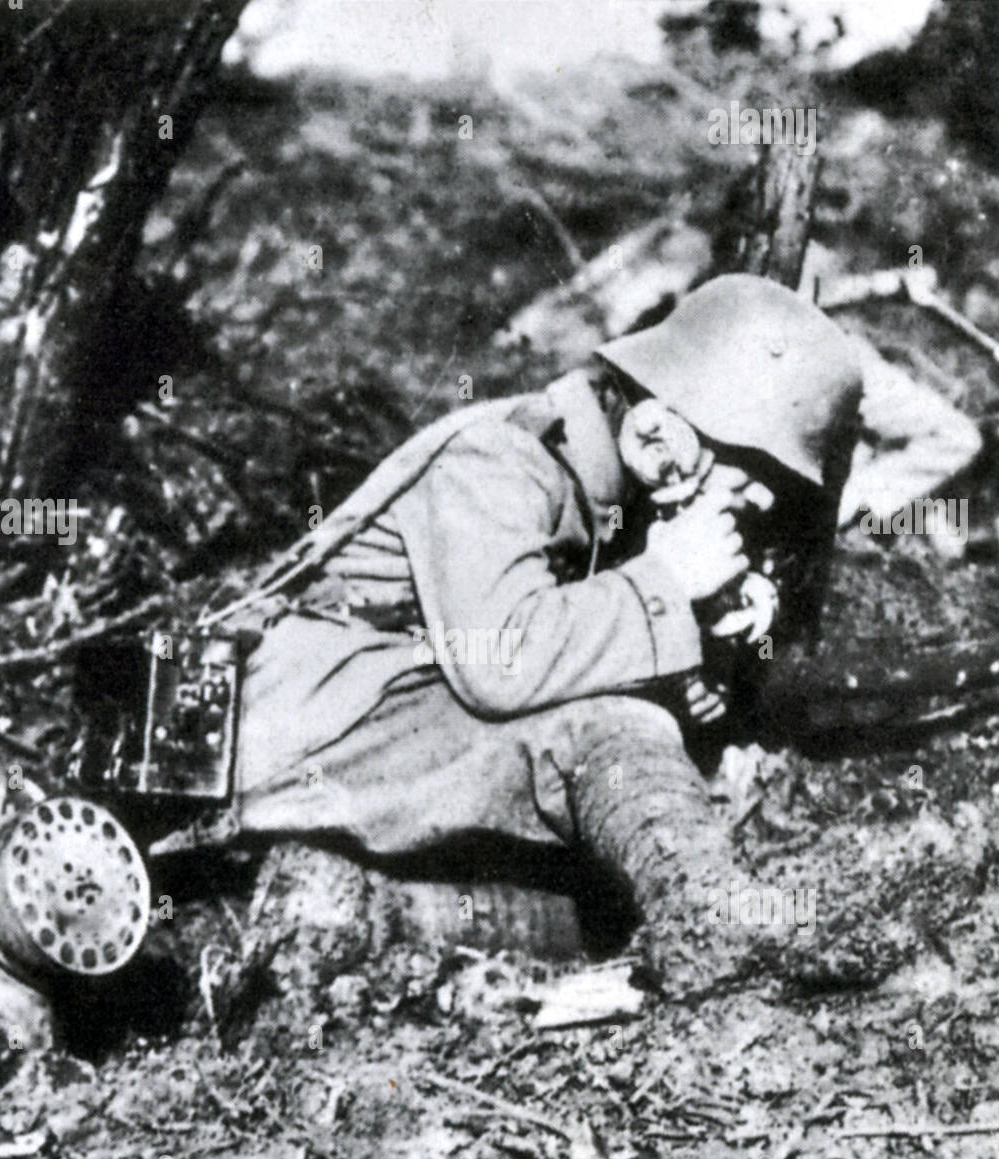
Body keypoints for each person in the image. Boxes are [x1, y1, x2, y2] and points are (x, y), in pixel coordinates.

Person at [226, 273, 864, 996]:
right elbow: (499, 660)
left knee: (594, 851)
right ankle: (713, 922)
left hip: (386, 710)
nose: (753, 503)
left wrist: (706, 630)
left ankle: (388, 913)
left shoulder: (607, 487)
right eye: (749, 475)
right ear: (661, 433)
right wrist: (664, 583)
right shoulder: (497, 461)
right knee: (603, 727)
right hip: (309, 723)